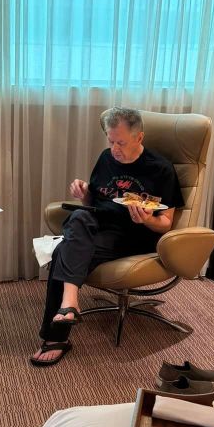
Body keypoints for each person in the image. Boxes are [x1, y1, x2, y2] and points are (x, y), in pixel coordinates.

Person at [30, 107, 184, 366]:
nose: (114, 149)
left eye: (120, 143)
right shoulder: (106, 158)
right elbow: (94, 202)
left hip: (134, 235)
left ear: (139, 137)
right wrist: (84, 193)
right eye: (111, 141)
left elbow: (165, 224)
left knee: (62, 253)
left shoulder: (161, 169)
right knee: (79, 216)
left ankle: (57, 336)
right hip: (98, 226)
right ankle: (69, 302)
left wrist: (147, 219)